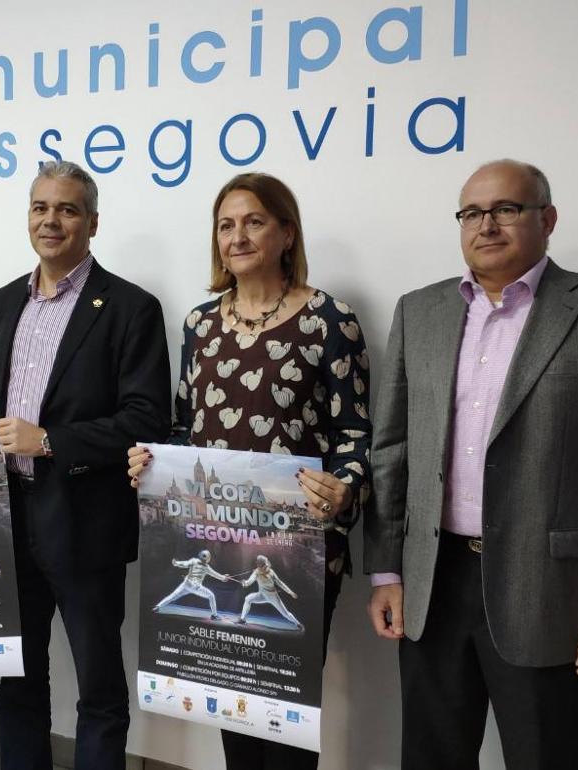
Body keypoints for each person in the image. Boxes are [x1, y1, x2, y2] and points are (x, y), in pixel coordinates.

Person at [363, 159, 578, 770]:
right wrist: (387, 569)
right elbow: (393, 451)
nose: (486, 224)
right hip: (432, 588)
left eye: (506, 209)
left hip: (553, 597)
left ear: (548, 218)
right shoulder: (421, 312)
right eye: (471, 213)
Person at [127, 172, 371, 770]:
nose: (237, 236)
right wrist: (153, 459)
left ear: (286, 233)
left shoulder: (330, 322)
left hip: (300, 545)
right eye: (226, 224)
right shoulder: (201, 325)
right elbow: (186, 427)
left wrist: (344, 491)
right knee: (231, 702)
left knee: (284, 715)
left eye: (254, 221)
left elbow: (358, 436)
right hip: (212, 538)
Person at [0, 160, 171, 770]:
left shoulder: (131, 307)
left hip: (84, 521)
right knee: (17, 679)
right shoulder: (8, 301)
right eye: (40, 208)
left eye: (68, 209)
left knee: (98, 688)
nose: (52, 220)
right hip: (7, 519)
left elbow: (146, 419)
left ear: (92, 222)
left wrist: (47, 439)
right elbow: (18, 404)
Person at [153, 550, 231, 620]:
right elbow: (216, 575)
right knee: (211, 596)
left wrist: (176, 563)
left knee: (173, 596)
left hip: (186, 584)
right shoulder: (206, 567)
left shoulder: (194, 561)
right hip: (195, 587)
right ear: (208, 558)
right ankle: (214, 615)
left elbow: (185, 564)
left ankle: (158, 607)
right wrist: (224, 578)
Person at [238, 555, 301, 629]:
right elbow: (249, 581)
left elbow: (280, 583)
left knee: (286, 614)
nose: (257, 564)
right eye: (257, 563)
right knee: (248, 599)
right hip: (261, 595)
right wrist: (244, 583)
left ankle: (298, 624)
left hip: (273, 596)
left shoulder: (271, 572)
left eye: (259, 563)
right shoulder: (256, 572)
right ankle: (242, 619)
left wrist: (290, 592)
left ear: (264, 564)